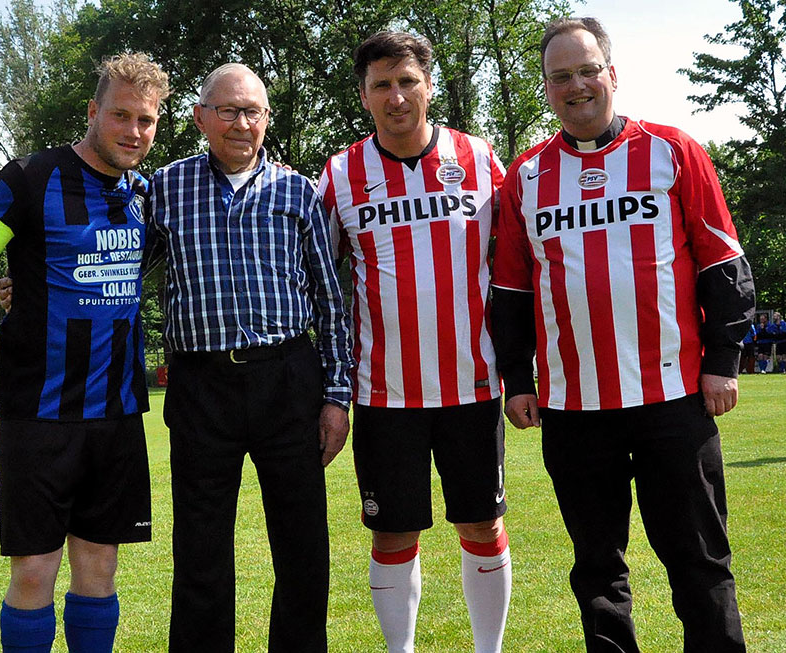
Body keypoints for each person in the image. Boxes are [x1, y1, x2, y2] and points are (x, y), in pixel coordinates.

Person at [491, 17, 753, 653]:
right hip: (575, 408)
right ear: (546, 89)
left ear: (613, 74)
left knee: (699, 558)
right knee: (598, 568)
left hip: (673, 398)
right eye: (561, 77)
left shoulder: (674, 151)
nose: (576, 85)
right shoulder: (525, 176)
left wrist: (722, 359)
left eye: (587, 71)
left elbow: (724, 264)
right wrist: (518, 382)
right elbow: (512, 292)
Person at [0, 52, 169, 653]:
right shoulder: (28, 179)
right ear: (94, 111)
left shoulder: (145, 193)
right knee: (34, 572)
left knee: (99, 571)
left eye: (146, 121)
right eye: (121, 115)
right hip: (39, 414)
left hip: (117, 415)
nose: (133, 131)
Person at [148, 63, 353, 652]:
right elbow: (114, 269)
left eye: (253, 112)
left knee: (302, 545)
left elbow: (328, 300)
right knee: (200, 545)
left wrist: (336, 397)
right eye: (229, 111)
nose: (242, 124)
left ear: (267, 118)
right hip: (199, 386)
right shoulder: (165, 189)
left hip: (287, 381)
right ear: (199, 118)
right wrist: (34, 283)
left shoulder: (298, 192)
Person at [318, 32, 510, 653]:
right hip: (384, 393)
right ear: (365, 95)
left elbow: (520, 264)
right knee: (394, 532)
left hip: (473, 385)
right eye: (381, 84)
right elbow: (315, 281)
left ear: (428, 85)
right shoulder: (341, 173)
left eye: (407, 81)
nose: (396, 96)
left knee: (482, 522)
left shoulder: (480, 159)